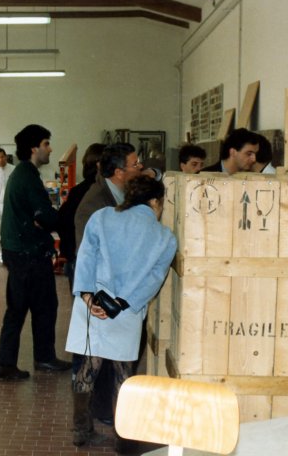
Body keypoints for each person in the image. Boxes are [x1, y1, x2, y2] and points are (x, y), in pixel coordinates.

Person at [66, 175, 177, 448]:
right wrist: (125, 303)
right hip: (125, 312)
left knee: (87, 368)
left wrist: (88, 295)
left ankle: (81, 431)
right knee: (122, 374)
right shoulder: (165, 237)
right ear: (154, 201)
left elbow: (86, 257)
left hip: (91, 305)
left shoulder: (102, 217)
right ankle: (124, 440)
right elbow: (154, 279)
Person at [0, 124, 71, 381]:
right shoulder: (27, 176)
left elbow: (40, 217)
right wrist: (59, 218)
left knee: (25, 307)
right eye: (47, 144)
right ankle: (38, 359)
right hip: (28, 253)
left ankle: (15, 361)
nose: (50, 149)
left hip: (20, 250)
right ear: (34, 148)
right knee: (43, 306)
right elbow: (45, 217)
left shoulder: (23, 174)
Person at [57, 142, 106, 290]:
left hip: (77, 258)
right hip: (90, 262)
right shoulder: (99, 193)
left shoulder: (77, 191)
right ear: (99, 165)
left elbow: (62, 222)